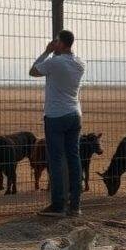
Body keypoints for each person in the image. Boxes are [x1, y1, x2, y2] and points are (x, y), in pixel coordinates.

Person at [29, 29, 86, 217]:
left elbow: (33, 71)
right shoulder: (79, 63)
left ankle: (58, 204)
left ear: (61, 43)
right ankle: (75, 205)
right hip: (74, 114)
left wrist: (46, 51)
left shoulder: (55, 62)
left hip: (55, 116)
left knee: (56, 160)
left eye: (56, 41)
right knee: (74, 159)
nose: (54, 43)